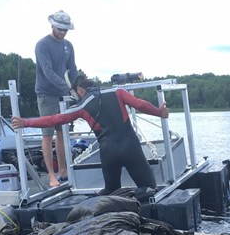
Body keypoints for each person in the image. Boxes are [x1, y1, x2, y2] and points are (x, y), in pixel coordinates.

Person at [12, 76, 169, 197]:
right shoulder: (117, 92)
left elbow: (54, 119)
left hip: (108, 152)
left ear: (80, 90)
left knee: (111, 190)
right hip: (130, 147)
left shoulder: (82, 105)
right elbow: (140, 104)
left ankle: (106, 212)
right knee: (148, 188)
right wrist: (159, 112)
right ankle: (140, 207)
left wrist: (25, 122)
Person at [34, 10, 79, 187]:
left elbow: (72, 69)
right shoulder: (42, 45)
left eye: (65, 29)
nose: (62, 32)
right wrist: (68, 88)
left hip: (64, 95)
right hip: (46, 94)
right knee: (47, 135)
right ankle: (51, 176)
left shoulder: (69, 45)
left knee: (62, 133)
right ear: (52, 25)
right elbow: (47, 71)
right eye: (59, 28)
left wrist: (78, 87)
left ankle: (63, 170)